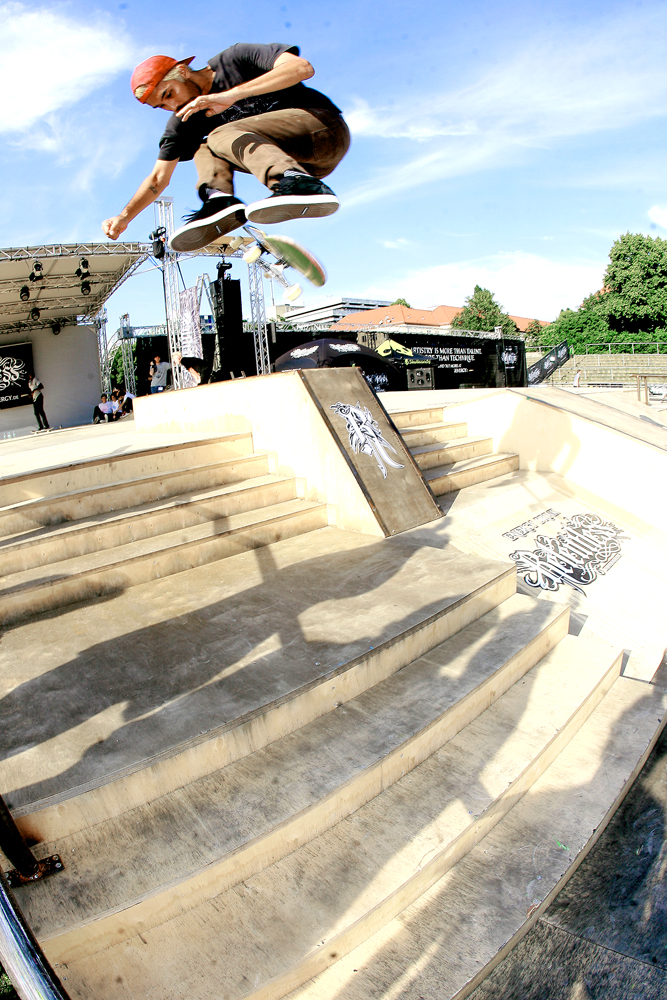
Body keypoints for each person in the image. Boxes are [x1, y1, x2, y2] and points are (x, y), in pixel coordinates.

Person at [101, 44, 350, 252]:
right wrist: (124, 217)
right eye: (162, 106)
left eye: (169, 94)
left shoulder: (234, 60)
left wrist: (231, 96)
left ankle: (294, 182)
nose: (173, 106)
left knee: (220, 134)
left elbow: (302, 68)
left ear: (182, 72)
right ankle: (219, 201)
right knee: (204, 146)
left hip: (324, 129)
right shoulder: (184, 118)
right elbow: (158, 178)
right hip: (308, 165)